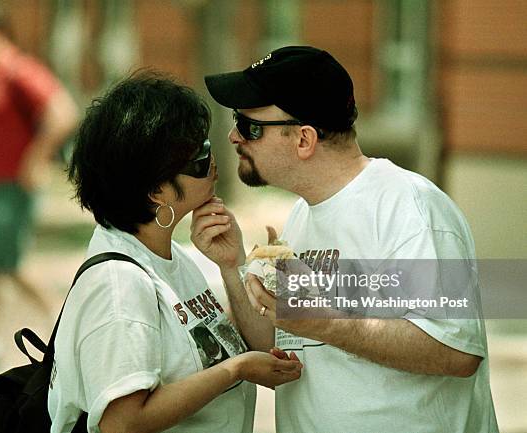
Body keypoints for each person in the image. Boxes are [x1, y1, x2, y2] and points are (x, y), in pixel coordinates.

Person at [203, 46, 499, 433]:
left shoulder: (410, 207)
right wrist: (232, 266)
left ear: (304, 139)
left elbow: (458, 351)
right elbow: (272, 340)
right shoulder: (302, 216)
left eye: (249, 126)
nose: (233, 136)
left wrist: (324, 323)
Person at [48, 72, 303, 433]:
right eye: (199, 157)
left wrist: (233, 266)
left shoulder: (171, 259)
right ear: (155, 190)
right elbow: (121, 423)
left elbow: (239, 340)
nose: (215, 162)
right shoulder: (119, 286)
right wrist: (237, 369)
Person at [0, 6, 78, 369]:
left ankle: (60, 317)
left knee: (8, 260)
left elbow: (64, 113)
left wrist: (36, 159)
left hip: (12, 187)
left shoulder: (20, 72)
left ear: (0, 34)